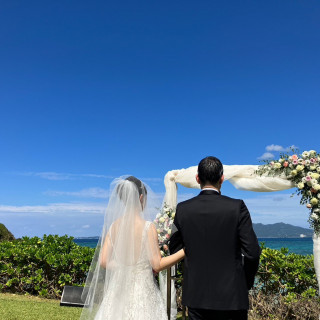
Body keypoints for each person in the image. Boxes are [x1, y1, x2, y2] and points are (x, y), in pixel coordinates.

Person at [169, 156, 261, 320]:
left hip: (196, 295)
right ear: (222, 178)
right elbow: (252, 252)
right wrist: (244, 282)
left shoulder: (183, 209)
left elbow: (175, 248)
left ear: (197, 178)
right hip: (232, 295)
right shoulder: (237, 207)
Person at [80, 176, 184, 320]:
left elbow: (104, 261)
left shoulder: (114, 226)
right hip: (142, 292)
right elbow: (157, 264)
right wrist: (184, 251)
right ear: (141, 197)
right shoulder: (148, 227)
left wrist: (125, 267)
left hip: (118, 290)